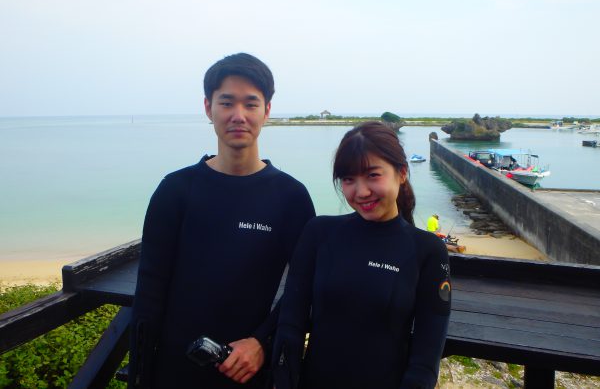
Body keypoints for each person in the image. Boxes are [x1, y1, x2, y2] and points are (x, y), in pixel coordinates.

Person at [128, 53, 315, 388]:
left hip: (249, 372)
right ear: (208, 107)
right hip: (175, 371)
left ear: (266, 111)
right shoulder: (176, 190)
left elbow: (305, 289)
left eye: (251, 104)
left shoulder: (291, 197)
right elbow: (148, 295)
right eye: (226, 103)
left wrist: (261, 341)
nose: (238, 116)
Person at [272, 122, 450, 389]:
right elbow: (290, 325)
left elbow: (425, 359)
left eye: (373, 175)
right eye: (348, 179)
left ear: (402, 173)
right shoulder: (319, 233)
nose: (361, 191)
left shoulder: (428, 250)